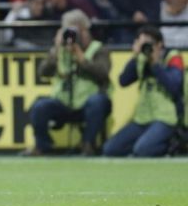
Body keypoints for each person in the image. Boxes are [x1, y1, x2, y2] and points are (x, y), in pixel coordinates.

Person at [24, 9, 112, 156]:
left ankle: (87, 144)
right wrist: (56, 50)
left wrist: (81, 57)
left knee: (98, 102)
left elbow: (103, 73)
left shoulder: (99, 49)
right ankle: (43, 145)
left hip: (88, 104)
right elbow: (43, 72)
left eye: (75, 30)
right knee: (40, 106)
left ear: (85, 29)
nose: (72, 36)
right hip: (63, 103)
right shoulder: (60, 50)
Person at [103, 26, 184, 157]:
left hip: (165, 118)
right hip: (142, 118)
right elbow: (123, 81)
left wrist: (156, 64)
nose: (146, 48)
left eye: (148, 44)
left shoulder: (172, 57)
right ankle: (144, 145)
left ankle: (170, 144)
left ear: (159, 44)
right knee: (110, 149)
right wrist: (135, 57)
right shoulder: (141, 59)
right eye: (142, 44)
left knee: (142, 150)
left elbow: (174, 86)